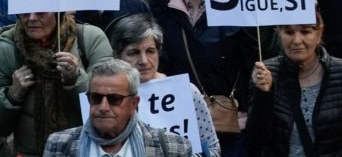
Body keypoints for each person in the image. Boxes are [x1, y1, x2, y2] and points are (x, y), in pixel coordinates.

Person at [149, 0, 253, 155]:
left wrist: (245, 103)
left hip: (230, 116)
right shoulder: (160, 5)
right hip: (181, 118)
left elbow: (250, 58)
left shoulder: (234, 2)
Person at [247, 11, 342, 157]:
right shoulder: (265, 73)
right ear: (279, 33)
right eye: (289, 32)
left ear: (319, 33)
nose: (297, 40)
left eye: (305, 31)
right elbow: (255, 140)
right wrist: (263, 94)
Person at [107, 14, 222, 157]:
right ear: (117, 56)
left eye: (150, 51)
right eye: (134, 52)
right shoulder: (104, 99)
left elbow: (213, 149)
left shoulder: (187, 91)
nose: (143, 60)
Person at [0, 11, 112, 156]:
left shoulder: (90, 39)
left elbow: (108, 109)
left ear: (58, 13)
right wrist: (12, 96)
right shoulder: (7, 48)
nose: (32, 19)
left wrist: (76, 79)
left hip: (84, 151)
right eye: (26, 13)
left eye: (40, 12)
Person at [40, 59, 191, 157]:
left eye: (114, 99)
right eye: (96, 98)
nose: (103, 107)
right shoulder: (59, 145)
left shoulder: (173, 148)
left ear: (133, 104)